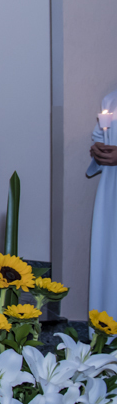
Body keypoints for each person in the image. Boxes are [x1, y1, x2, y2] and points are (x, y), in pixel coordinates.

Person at [89, 89, 117, 315]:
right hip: (111, 188)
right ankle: (107, 329)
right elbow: (100, 136)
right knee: (109, 260)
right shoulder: (111, 99)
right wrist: (98, 150)